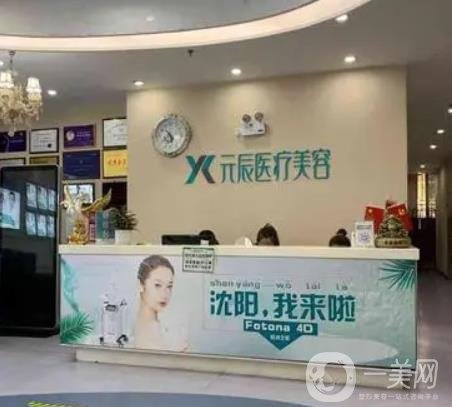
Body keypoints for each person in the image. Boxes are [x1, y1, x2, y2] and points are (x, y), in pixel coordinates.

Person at [134, 255, 187, 351]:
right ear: (141, 285)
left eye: (169, 286)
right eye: (157, 285)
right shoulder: (127, 328)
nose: (165, 294)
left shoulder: (174, 335)